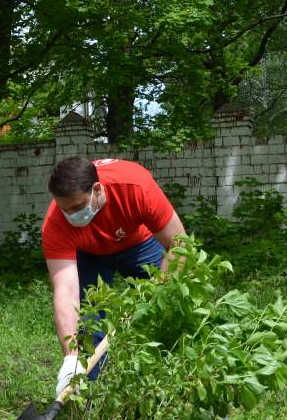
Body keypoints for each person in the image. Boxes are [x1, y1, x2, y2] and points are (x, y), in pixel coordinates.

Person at [42, 156, 186, 396]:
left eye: (77, 207)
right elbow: (66, 292)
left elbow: (180, 245)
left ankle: (174, 389)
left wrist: (156, 293)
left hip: (138, 243)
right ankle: (92, 399)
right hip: (88, 253)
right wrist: (70, 358)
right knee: (89, 321)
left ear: (97, 189)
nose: (71, 216)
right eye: (64, 209)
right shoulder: (56, 223)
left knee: (170, 307)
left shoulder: (135, 186)